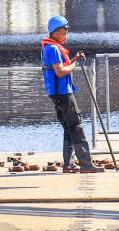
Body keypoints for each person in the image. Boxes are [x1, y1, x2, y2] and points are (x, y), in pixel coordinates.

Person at [42, 16, 104, 173]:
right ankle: (86, 164)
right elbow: (61, 72)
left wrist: (75, 59)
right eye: (64, 32)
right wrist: (77, 64)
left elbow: (62, 67)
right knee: (76, 126)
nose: (66, 36)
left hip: (57, 92)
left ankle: (69, 165)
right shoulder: (54, 49)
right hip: (62, 93)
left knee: (68, 127)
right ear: (55, 33)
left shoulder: (50, 47)